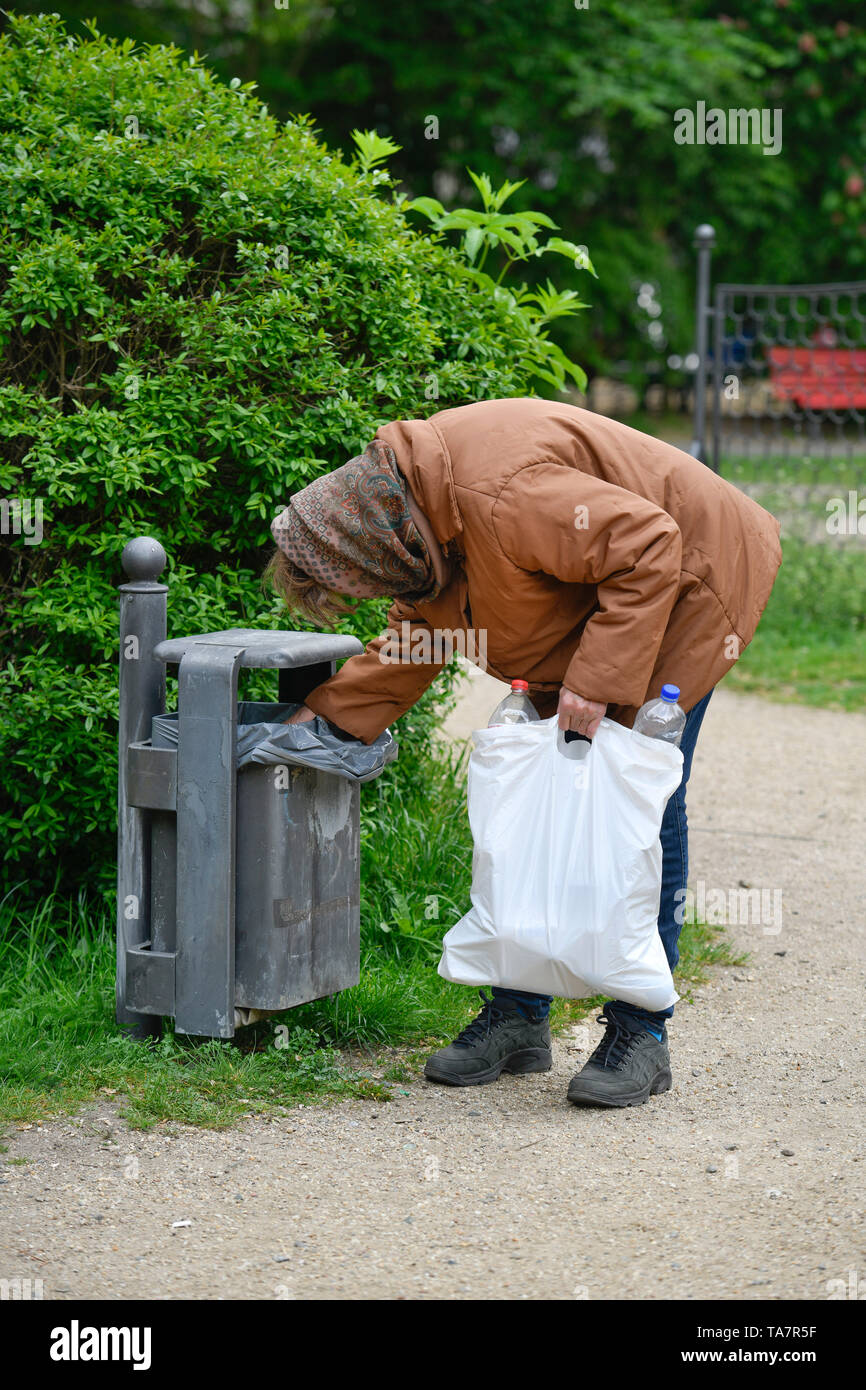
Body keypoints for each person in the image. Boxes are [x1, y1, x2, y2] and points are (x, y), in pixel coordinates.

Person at [265, 397, 782, 1108]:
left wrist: (597, 684)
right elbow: (422, 634)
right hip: (600, 600)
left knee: (633, 804)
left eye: (366, 584)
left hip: (688, 580)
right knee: (533, 804)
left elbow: (649, 546)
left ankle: (643, 1033)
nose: (375, 594)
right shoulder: (416, 524)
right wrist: (318, 725)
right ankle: (518, 1018)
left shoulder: (501, 498)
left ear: (377, 546)